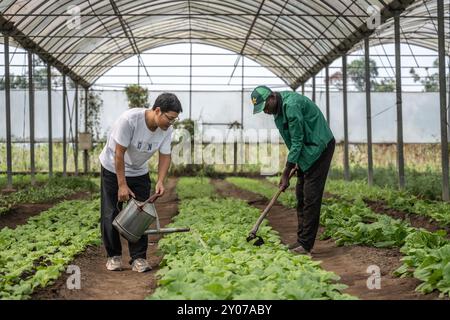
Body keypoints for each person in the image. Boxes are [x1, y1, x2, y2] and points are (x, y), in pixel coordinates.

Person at [99, 93, 182, 272]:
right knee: (111, 211)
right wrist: (122, 184)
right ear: (157, 111)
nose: (171, 123)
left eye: (174, 120)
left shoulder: (167, 130)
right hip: (113, 168)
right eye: (169, 118)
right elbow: (118, 153)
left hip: (139, 171)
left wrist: (160, 181)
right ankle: (114, 256)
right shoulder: (130, 120)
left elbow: (165, 155)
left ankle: (139, 258)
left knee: (141, 212)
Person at [250, 86, 335, 255]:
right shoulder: (277, 113)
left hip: (319, 148)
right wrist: (296, 162)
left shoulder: (292, 105)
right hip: (305, 151)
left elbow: (297, 139)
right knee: (300, 196)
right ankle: (301, 240)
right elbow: (291, 142)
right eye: (262, 109)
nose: (265, 111)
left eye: (265, 106)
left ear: (273, 96)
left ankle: (306, 245)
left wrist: (286, 171)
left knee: (311, 197)